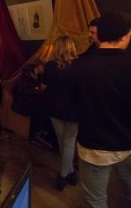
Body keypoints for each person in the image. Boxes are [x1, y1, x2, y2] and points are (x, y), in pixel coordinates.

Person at [71, 12, 131, 208]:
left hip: (94, 146)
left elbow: (74, 104)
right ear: (123, 36)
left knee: (96, 201)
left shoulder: (80, 65)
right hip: (127, 143)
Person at [41, 36, 79, 191]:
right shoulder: (79, 66)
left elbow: (43, 87)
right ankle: (67, 173)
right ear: (71, 47)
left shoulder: (50, 66)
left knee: (62, 142)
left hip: (55, 109)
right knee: (68, 143)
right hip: (74, 111)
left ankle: (65, 174)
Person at [12, 60, 52, 149]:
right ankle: (35, 133)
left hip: (31, 100)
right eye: (43, 67)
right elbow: (22, 91)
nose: (44, 69)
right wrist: (37, 90)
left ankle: (41, 131)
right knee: (40, 108)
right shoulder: (26, 75)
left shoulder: (39, 76)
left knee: (44, 106)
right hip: (22, 102)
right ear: (38, 66)